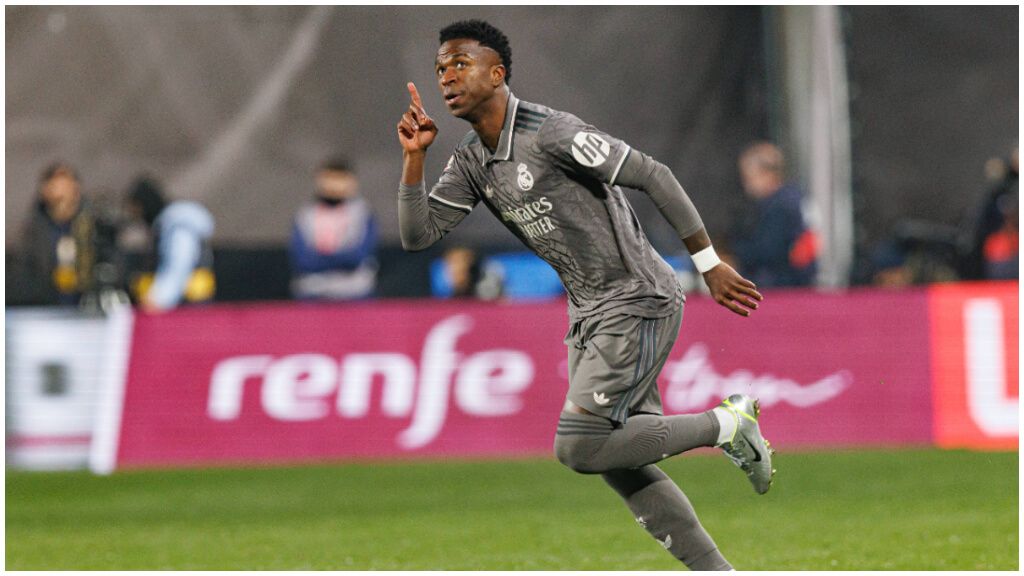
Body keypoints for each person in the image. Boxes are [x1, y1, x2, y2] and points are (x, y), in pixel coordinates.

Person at [395, 20, 772, 570]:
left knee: (577, 446)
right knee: (617, 460)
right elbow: (417, 234)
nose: (447, 78)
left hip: (636, 298)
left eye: (460, 64)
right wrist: (413, 159)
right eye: (440, 69)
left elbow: (654, 174)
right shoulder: (474, 161)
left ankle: (728, 425)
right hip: (589, 313)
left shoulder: (552, 133)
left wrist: (708, 263)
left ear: (497, 74)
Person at [289, 157, 378, 300]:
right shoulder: (305, 215)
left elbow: (358, 256)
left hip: (355, 293)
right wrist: (339, 259)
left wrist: (322, 259)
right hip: (312, 293)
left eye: (340, 179)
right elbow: (303, 260)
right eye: (329, 179)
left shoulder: (362, 213)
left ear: (351, 182)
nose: (334, 185)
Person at [732, 142, 817, 288]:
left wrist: (737, 256)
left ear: (767, 174)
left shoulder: (782, 204)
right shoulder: (792, 198)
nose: (746, 184)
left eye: (749, 177)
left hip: (783, 284)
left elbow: (770, 250)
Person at [125, 177, 215, 312]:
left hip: (185, 309)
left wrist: (158, 298)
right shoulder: (168, 227)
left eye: (137, 210)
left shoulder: (179, 228)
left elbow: (179, 265)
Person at [19, 163, 97, 306]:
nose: (62, 191)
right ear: (45, 190)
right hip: (45, 308)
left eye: (67, 186)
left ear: (76, 190)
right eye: (56, 186)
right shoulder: (33, 230)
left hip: (85, 308)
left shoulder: (91, 226)